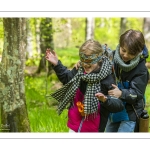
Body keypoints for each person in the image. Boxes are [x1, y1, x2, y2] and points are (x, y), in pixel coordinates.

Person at [45, 39, 124, 132]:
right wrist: (57, 64)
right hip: (74, 124)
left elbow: (118, 105)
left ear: (99, 59)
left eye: (89, 62)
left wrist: (105, 100)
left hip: (94, 129)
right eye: (83, 61)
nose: (85, 65)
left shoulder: (107, 79)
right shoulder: (80, 70)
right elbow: (67, 79)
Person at [105, 29, 149, 132]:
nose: (125, 55)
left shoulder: (141, 70)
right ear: (120, 45)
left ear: (138, 52)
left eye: (131, 53)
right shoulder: (112, 58)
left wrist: (121, 93)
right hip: (113, 110)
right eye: (123, 50)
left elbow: (137, 93)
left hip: (130, 114)